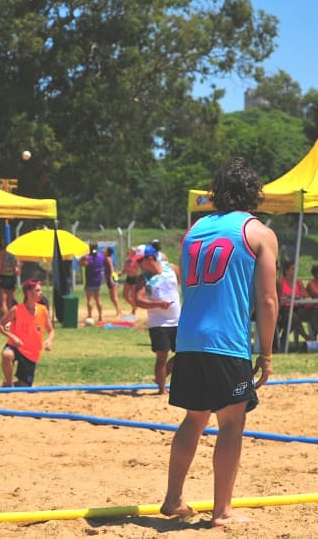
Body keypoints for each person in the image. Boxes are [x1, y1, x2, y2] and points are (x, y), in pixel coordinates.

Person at [161, 156, 278, 527]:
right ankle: (222, 511)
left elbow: (187, 288)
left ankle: (173, 498)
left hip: (190, 337)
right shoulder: (258, 232)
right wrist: (268, 353)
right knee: (231, 423)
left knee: (193, 419)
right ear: (253, 194)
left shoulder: (194, 231)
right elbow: (268, 299)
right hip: (226, 341)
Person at [133, 244, 181, 395]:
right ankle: (162, 389)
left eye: (140, 261)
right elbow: (138, 300)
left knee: (184, 354)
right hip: (158, 323)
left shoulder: (171, 269)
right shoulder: (143, 279)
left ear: (150, 258)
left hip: (177, 320)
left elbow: (180, 284)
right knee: (162, 356)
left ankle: (160, 377)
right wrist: (158, 304)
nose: (138, 265)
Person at [0, 278, 55, 387]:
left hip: (31, 353)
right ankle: (8, 384)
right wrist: (13, 337)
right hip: (15, 346)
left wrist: (49, 340)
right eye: (37, 290)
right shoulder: (16, 309)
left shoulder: (43, 310)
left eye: (40, 290)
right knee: (7, 355)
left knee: (25, 387)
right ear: (28, 292)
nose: (40, 293)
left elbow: (51, 331)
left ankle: (11, 385)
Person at [78, 243, 105, 323]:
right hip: (98, 281)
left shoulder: (88, 258)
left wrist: (82, 258)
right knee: (98, 299)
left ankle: (90, 316)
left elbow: (80, 264)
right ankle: (100, 316)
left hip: (90, 281)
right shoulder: (100, 257)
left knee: (90, 299)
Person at [0, 235, 19, 315]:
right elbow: (16, 269)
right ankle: (11, 320)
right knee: (10, 303)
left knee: (2, 303)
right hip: (11, 278)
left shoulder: (1, 254)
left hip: (3, 278)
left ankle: (5, 321)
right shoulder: (11, 255)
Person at [121, 247, 141, 315]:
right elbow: (124, 270)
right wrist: (120, 273)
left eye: (130, 251)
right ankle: (134, 306)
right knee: (125, 296)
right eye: (129, 250)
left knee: (132, 296)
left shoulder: (136, 260)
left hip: (134, 278)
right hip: (128, 278)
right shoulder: (127, 261)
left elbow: (138, 268)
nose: (128, 251)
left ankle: (133, 311)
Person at [103, 246, 122, 317]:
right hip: (110, 278)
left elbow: (112, 268)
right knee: (112, 297)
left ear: (107, 252)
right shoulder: (105, 258)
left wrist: (111, 278)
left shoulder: (108, 259)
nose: (103, 250)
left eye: (105, 249)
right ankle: (119, 311)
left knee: (114, 296)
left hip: (113, 277)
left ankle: (119, 312)